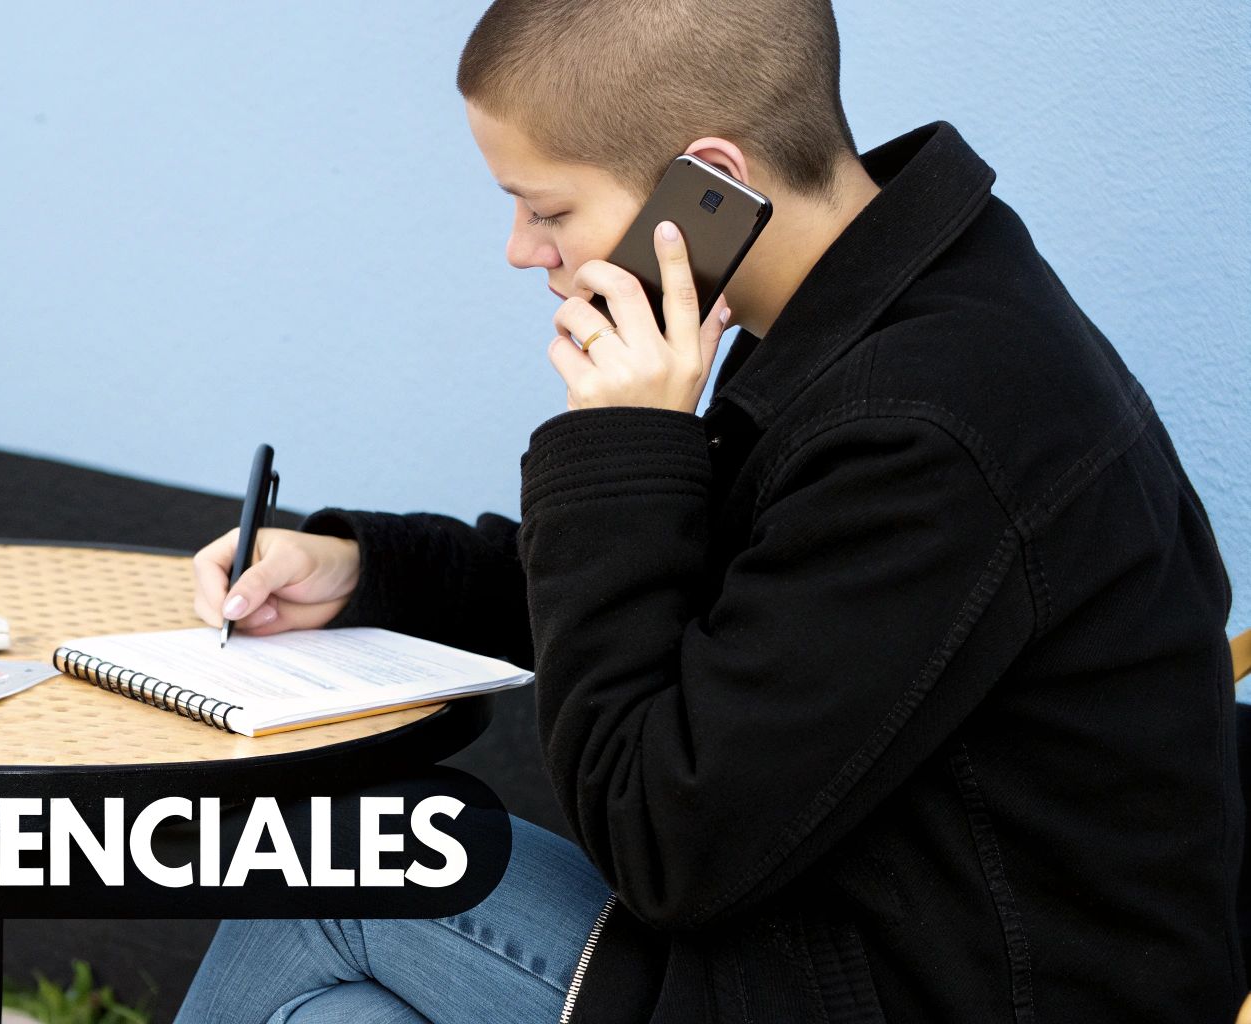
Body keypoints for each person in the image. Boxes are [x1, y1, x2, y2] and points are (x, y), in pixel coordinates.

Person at [175, 0, 1242, 1020]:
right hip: (841, 933)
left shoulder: (920, 430)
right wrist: (372, 572)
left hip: (937, 989)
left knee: (333, 867)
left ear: (707, 186)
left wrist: (618, 442)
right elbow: (714, 594)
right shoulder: (879, 302)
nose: (518, 248)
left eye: (546, 207)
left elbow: (661, 843)